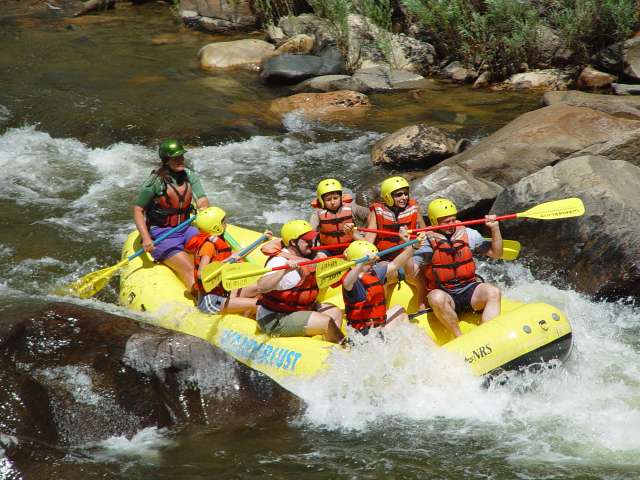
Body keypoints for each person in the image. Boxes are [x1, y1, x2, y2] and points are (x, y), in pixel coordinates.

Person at [413, 198, 503, 337]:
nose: (451, 225)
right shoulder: (426, 242)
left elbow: (496, 253)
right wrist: (411, 247)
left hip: (469, 290)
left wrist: (495, 228)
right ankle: (459, 337)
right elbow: (411, 271)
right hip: (445, 294)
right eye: (446, 222)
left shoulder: (469, 234)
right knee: (436, 297)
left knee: (494, 292)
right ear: (434, 222)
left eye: (453, 220)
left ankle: (489, 335)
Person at [133, 139, 209, 290]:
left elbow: (202, 198)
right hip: (161, 233)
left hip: (186, 229)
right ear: (166, 160)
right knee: (189, 269)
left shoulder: (189, 175)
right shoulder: (155, 182)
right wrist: (147, 238)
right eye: (175, 158)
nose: (180, 160)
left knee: (212, 252)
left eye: (181, 156)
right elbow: (138, 209)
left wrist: (203, 206)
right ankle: (201, 300)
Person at [256, 220, 344, 343]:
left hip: (299, 309)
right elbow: (261, 286)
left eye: (311, 239)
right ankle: (344, 350)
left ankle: (329, 347)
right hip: (275, 318)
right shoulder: (279, 261)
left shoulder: (308, 256)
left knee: (335, 312)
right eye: (307, 240)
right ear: (293, 242)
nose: (311, 243)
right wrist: (284, 271)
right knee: (326, 321)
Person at [340, 229, 426, 335]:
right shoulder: (352, 282)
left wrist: (413, 247)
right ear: (356, 263)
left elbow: (395, 264)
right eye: (369, 263)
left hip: (377, 328)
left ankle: (429, 350)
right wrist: (361, 263)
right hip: (363, 335)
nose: (372, 265)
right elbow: (348, 282)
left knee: (399, 310)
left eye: (373, 262)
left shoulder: (373, 273)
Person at [186, 206, 266, 316]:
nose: (226, 224)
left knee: (260, 287)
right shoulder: (208, 246)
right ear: (216, 227)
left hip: (224, 293)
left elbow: (238, 255)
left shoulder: (220, 243)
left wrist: (261, 240)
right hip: (210, 301)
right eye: (223, 221)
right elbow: (201, 274)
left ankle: (244, 314)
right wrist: (223, 265)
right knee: (256, 304)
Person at [364, 176, 427, 306]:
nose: (404, 197)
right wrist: (354, 237)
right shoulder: (377, 211)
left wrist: (421, 238)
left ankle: (422, 305)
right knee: (382, 272)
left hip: (410, 254)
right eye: (399, 195)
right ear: (387, 197)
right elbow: (369, 240)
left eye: (405, 193)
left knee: (418, 273)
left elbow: (424, 230)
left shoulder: (414, 207)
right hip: (387, 259)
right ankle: (382, 310)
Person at [309, 178, 369, 255]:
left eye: (335, 198)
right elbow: (311, 232)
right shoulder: (317, 214)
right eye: (328, 200)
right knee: (321, 256)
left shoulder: (352, 207)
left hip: (349, 245)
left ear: (341, 197)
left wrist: (359, 230)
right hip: (327, 249)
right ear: (322, 201)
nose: (333, 202)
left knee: (349, 253)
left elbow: (371, 215)